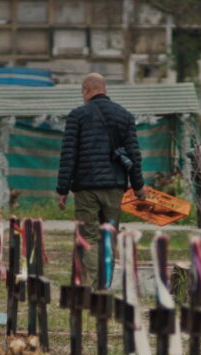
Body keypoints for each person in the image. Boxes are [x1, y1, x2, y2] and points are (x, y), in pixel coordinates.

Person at [56, 73, 146, 285]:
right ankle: (104, 284)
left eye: (82, 92)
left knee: (89, 236)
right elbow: (133, 154)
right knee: (109, 236)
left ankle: (94, 287)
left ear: (87, 90)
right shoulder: (124, 115)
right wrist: (138, 185)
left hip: (86, 188)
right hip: (115, 187)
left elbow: (68, 154)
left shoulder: (77, 116)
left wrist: (62, 189)